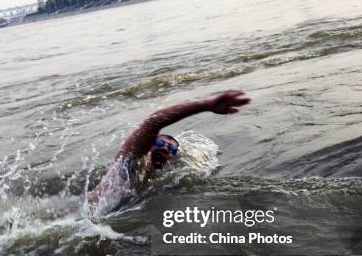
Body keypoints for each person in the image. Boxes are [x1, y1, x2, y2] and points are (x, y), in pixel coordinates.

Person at [88, 90, 251, 211]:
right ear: (148, 144)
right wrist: (205, 105)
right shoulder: (129, 164)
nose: (165, 147)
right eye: (159, 142)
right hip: (86, 216)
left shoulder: (152, 179)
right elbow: (153, 122)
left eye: (171, 148)